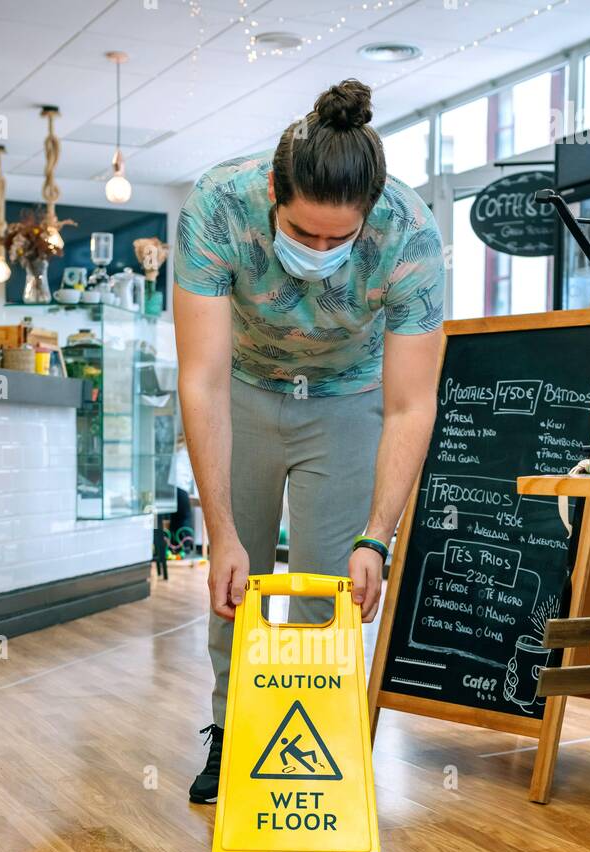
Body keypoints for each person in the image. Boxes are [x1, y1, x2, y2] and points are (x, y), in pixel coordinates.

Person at [174, 77, 445, 803]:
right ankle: (232, 732)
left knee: (332, 586)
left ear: (370, 213)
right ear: (273, 190)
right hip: (245, 388)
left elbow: (412, 403)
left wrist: (377, 538)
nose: (321, 249)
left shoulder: (411, 235)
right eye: (302, 233)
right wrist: (220, 531)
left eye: (339, 238)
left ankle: (313, 739)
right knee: (240, 581)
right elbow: (199, 380)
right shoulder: (216, 207)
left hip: (348, 398)